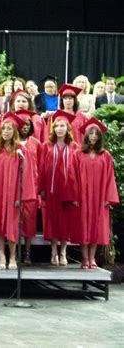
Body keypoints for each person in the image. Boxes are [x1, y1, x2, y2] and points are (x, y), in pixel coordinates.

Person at [0, 113, 36, 270]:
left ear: (15, 131)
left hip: (13, 195)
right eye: (4, 128)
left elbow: (27, 175)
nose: (6, 131)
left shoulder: (21, 150)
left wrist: (21, 196)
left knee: (11, 225)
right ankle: (1, 256)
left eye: (9, 128)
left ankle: (12, 257)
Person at [72, 118, 119, 269]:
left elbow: (110, 177)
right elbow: (72, 177)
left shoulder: (105, 155)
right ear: (86, 136)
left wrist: (108, 197)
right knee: (84, 226)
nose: (93, 136)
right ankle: (84, 258)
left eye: (96, 134)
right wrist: (74, 196)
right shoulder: (77, 154)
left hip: (99, 196)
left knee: (96, 227)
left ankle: (92, 259)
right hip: (83, 196)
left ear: (99, 137)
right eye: (90, 133)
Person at [39, 110, 80, 266]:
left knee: (65, 222)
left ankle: (63, 252)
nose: (59, 129)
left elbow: (77, 171)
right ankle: (53, 251)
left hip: (68, 190)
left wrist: (76, 193)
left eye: (62, 126)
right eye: (57, 126)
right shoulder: (47, 146)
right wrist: (41, 188)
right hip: (51, 190)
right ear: (53, 128)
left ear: (68, 128)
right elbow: (42, 168)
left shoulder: (75, 147)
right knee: (53, 221)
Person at [16, 109, 41, 265]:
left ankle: (27, 252)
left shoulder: (36, 143)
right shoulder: (12, 143)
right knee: (14, 220)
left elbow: (41, 166)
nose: (25, 127)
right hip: (14, 186)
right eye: (22, 124)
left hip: (32, 185)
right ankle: (15, 251)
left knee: (29, 222)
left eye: (28, 124)